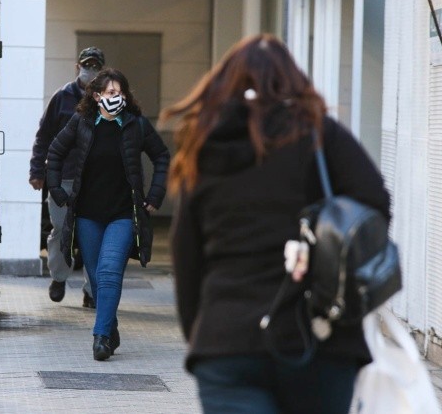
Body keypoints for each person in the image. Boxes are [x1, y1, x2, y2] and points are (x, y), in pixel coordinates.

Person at [166, 34, 391, 414]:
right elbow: (375, 205)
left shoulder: (204, 147)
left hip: (228, 342)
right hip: (319, 340)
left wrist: (201, 332)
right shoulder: (321, 135)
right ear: (293, 81)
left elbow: (185, 255)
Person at [47, 68, 170, 361]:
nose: (117, 98)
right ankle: (110, 328)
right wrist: (57, 191)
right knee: (97, 277)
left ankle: (100, 337)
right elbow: (55, 153)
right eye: (111, 93)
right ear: (97, 95)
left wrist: (154, 195)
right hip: (88, 215)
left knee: (109, 271)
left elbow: (162, 155)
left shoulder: (136, 125)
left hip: (123, 214)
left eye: (121, 93)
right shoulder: (82, 122)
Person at [30, 47, 105, 307]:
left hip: (96, 180)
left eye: (96, 67)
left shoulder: (107, 98)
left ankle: (92, 291)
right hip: (63, 177)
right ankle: (59, 277)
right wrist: (37, 171)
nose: (90, 70)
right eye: (87, 65)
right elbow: (43, 136)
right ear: (77, 67)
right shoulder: (61, 98)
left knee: (94, 234)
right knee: (61, 230)